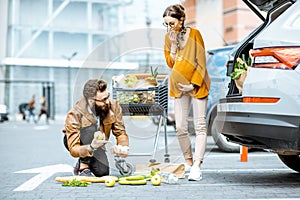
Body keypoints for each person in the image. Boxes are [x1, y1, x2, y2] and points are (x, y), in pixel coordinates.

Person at [163, 4, 211, 181]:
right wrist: (174, 44)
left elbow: (201, 62)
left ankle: (197, 166)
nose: (169, 27)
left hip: (196, 85)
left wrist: (193, 84)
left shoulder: (195, 34)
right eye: (166, 24)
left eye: (172, 23)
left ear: (181, 20)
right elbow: (170, 63)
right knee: (180, 127)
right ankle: (188, 162)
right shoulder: (168, 38)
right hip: (178, 88)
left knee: (199, 126)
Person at [62, 79, 129, 177]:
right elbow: (74, 149)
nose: (107, 102)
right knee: (90, 130)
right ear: (91, 101)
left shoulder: (113, 106)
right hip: (77, 141)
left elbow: (120, 132)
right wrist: (91, 147)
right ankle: (83, 166)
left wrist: (123, 147)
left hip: (97, 143)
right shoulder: (74, 113)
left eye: (107, 97)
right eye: (103, 100)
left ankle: (84, 159)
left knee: (103, 172)